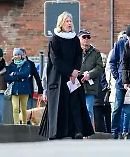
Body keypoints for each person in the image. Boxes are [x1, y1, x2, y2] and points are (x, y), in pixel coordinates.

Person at [39, 12, 94, 140]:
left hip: (72, 77)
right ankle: (56, 132)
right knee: (59, 105)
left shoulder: (74, 39)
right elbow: (55, 59)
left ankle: (76, 131)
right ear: (61, 23)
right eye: (67, 21)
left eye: (70, 21)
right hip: (58, 78)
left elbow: (78, 56)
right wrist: (69, 71)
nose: (69, 23)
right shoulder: (54, 39)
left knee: (75, 104)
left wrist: (75, 71)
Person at [109, 27, 130, 139]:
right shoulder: (120, 44)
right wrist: (117, 76)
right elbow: (112, 62)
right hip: (120, 81)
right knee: (117, 107)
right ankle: (115, 131)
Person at [78, 30, 104, 125]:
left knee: (89, 110)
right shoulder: (74, 51)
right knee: (77, 109)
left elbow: (99, 67)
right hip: (77, 85)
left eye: (88, 37)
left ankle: (87, 131)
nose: (86, 39)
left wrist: (89, 74)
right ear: (79, 39)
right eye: (84, 37)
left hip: (90, 86)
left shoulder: (95, 53)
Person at [6, 48, 35, 125]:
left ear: (21, 55)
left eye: (18, 54)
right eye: (15, 55)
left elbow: (26, 74)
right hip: (14, 90)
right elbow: (7, 78)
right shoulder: (11, 65)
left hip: (25, 89)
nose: (17, 56)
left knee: (23, 109)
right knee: (15, 108)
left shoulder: (26, 64)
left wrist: (15, 74)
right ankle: (16, 125)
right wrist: (19, 77)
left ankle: (24, 124)